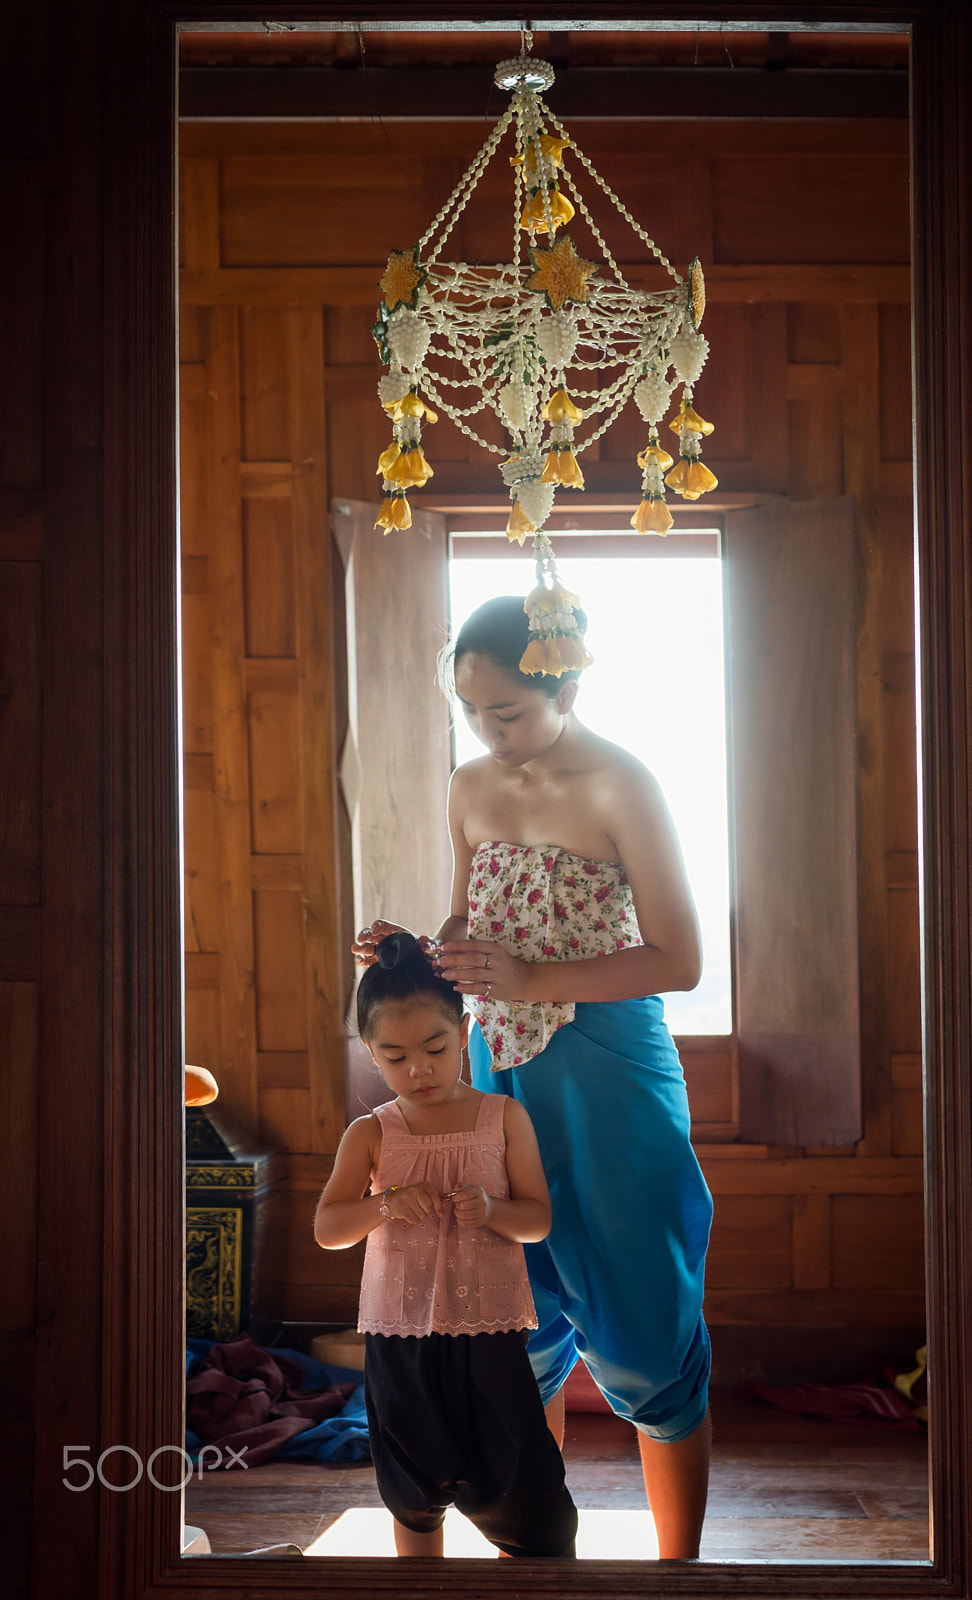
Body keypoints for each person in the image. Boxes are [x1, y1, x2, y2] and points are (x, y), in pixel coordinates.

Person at [355, 593, 714, 1561]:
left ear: (567, 681)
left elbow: (680, 960)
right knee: (518, 1313)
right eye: (471, 711)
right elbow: (474, 926)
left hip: (607, 1068)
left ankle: (680, 1569)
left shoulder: (621, 785)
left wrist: (535, 977)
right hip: (494, 1065)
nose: (488, 731)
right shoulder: (469, 784)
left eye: (507, 711)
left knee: (642, 1312)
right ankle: (538, 1556)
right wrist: (411, 951)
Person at [315, 929, 577, 1560]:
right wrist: (384, 1205)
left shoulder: (502, 1118)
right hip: (398, 1334)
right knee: (410, 1481)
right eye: (395, 1057)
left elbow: (537, 1220)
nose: (418, 1069)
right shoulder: (371, 1132)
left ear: (463, 1032)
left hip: (488, 1330)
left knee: (521, 1481)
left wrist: (490, 1211)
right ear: (372, 1056)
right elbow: (328, 1230)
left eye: (434, 1048)